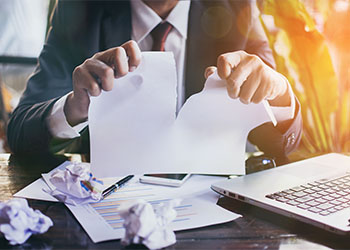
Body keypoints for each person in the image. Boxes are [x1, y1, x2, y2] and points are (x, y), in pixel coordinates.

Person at [7, 0, 302, 164]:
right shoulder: (80, 9)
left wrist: (277, 93)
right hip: (109, 205)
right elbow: (20, 131)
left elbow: (278, 142)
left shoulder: (236, 7)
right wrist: (75, 106)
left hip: (212, 204)